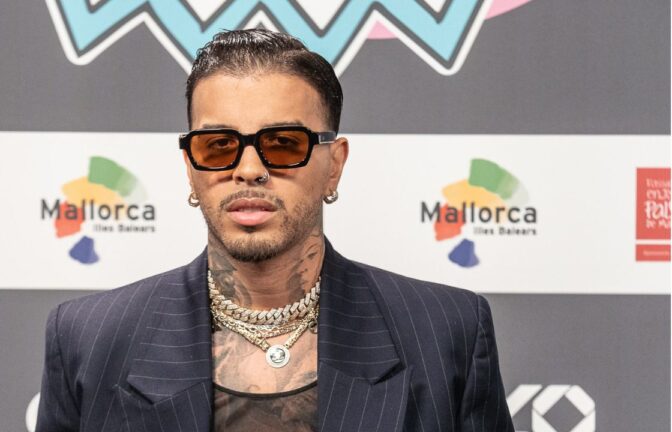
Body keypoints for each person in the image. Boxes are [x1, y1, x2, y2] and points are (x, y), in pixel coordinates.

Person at [35, 28, 514, 432]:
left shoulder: (447, 333)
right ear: (190, 167)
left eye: (283, 143)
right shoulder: (89, 340)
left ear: (334, 165)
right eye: (218, 145)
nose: (249, 170)